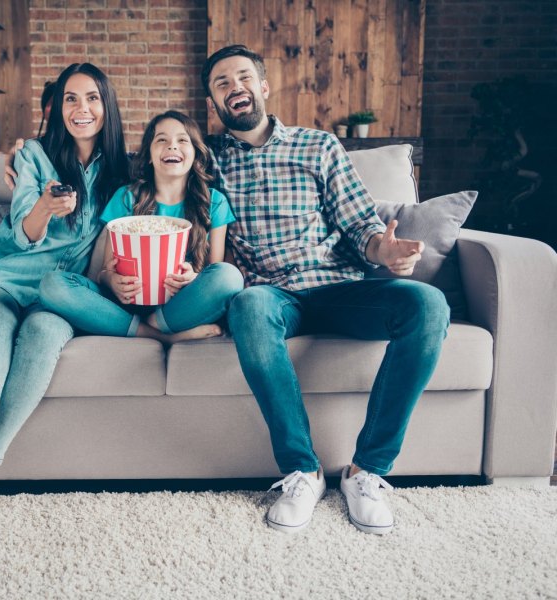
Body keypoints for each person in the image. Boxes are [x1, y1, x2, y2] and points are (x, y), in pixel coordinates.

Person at [200, 45, 450, 535]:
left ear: (264, 87)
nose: (236, 89)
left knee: (428, 305)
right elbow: (148, 178)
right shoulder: (206, 161)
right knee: (247, 304)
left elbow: (360, 226)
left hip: (338, 287)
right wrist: (31, 156)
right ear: (213, 100)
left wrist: (385, 251)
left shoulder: (318, 147)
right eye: (222, 84)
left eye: (243, 78)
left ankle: (367, 471)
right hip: (273, 296)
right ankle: (302, 471)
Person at [0, 62, 129, 582]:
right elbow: (23, 233)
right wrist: (43, 204)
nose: (82, 109)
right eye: (70, 100)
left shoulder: (122, 172)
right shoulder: (34, 155)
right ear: (56, 109)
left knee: (40, 342)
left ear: (107, 106)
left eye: (92, 99)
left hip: (58, 298)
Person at [38, 110, 244, 343]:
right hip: (125, 305)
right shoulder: (126, 197)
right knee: (51, 284)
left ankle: (154, 325)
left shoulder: (214, 202)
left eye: (182, 140)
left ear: (196, 153)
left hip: (181, 304)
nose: (172, 146)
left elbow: (212, 272)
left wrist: (193, 279)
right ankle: (159, 336)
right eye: (162, 140)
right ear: (148, 155)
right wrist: (112, 282)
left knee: (229, 276)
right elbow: (107, 271)